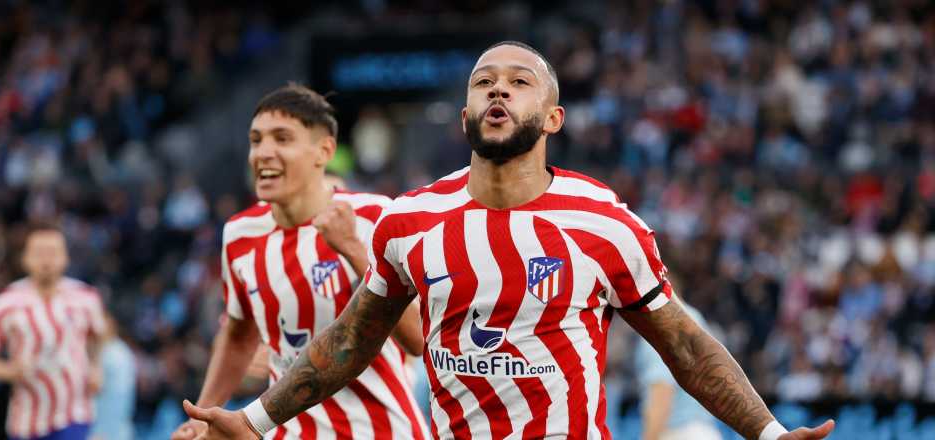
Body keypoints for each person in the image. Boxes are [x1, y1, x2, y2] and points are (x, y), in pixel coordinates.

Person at [182, 42, 836, 440]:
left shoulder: (603, 222)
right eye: (484, 80)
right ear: (465, 114)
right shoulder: (412, 220)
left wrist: (768, 433)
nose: (499, 86)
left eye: (520, 81)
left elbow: (685, 345)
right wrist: (255, 421)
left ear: (553, 118)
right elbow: (352, 340)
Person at [170, 84, 427, 440]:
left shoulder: (374, 215)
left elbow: (418, 339)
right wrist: (203, 414)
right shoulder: (240, 234)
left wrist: (353, 249)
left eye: (282, 138)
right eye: (256, 140)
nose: (263, 152)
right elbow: (238, 336)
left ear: (324, 151)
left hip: (381, 431)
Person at [0, 224, 108, 440]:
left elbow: (98, 336)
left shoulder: (86, 297)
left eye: (53, 252)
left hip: (74, 413)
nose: (46, 260)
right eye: (39, 253)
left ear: (66, 258)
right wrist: (10, 371)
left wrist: (95, 366)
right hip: (27, 420)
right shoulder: (5, 303)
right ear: (25, 259)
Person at [635, 295, 722, 440]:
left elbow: (662, 393)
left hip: (678, 432)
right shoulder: (693, 317)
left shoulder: (660, 324)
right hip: (705, 430)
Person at [90, 312, 137, 440]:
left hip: (107, 432)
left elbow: (114, 400)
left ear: (110, 323)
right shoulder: (120, 350)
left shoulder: (113, 354)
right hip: (115, 430)